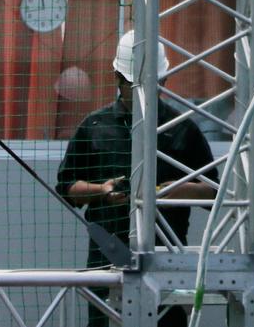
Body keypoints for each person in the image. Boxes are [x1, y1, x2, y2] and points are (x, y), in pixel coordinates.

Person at [58, 30, 216, 327]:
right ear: (117, 78)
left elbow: (213, 193)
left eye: (151, 84)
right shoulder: (94, 126)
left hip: (167, 259)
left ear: (165, 82)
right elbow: (67, 188)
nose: (144, 91)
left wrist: (179, 191)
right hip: (106, 261)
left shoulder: (184, 128)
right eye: (135, 84)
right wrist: (102, 190)